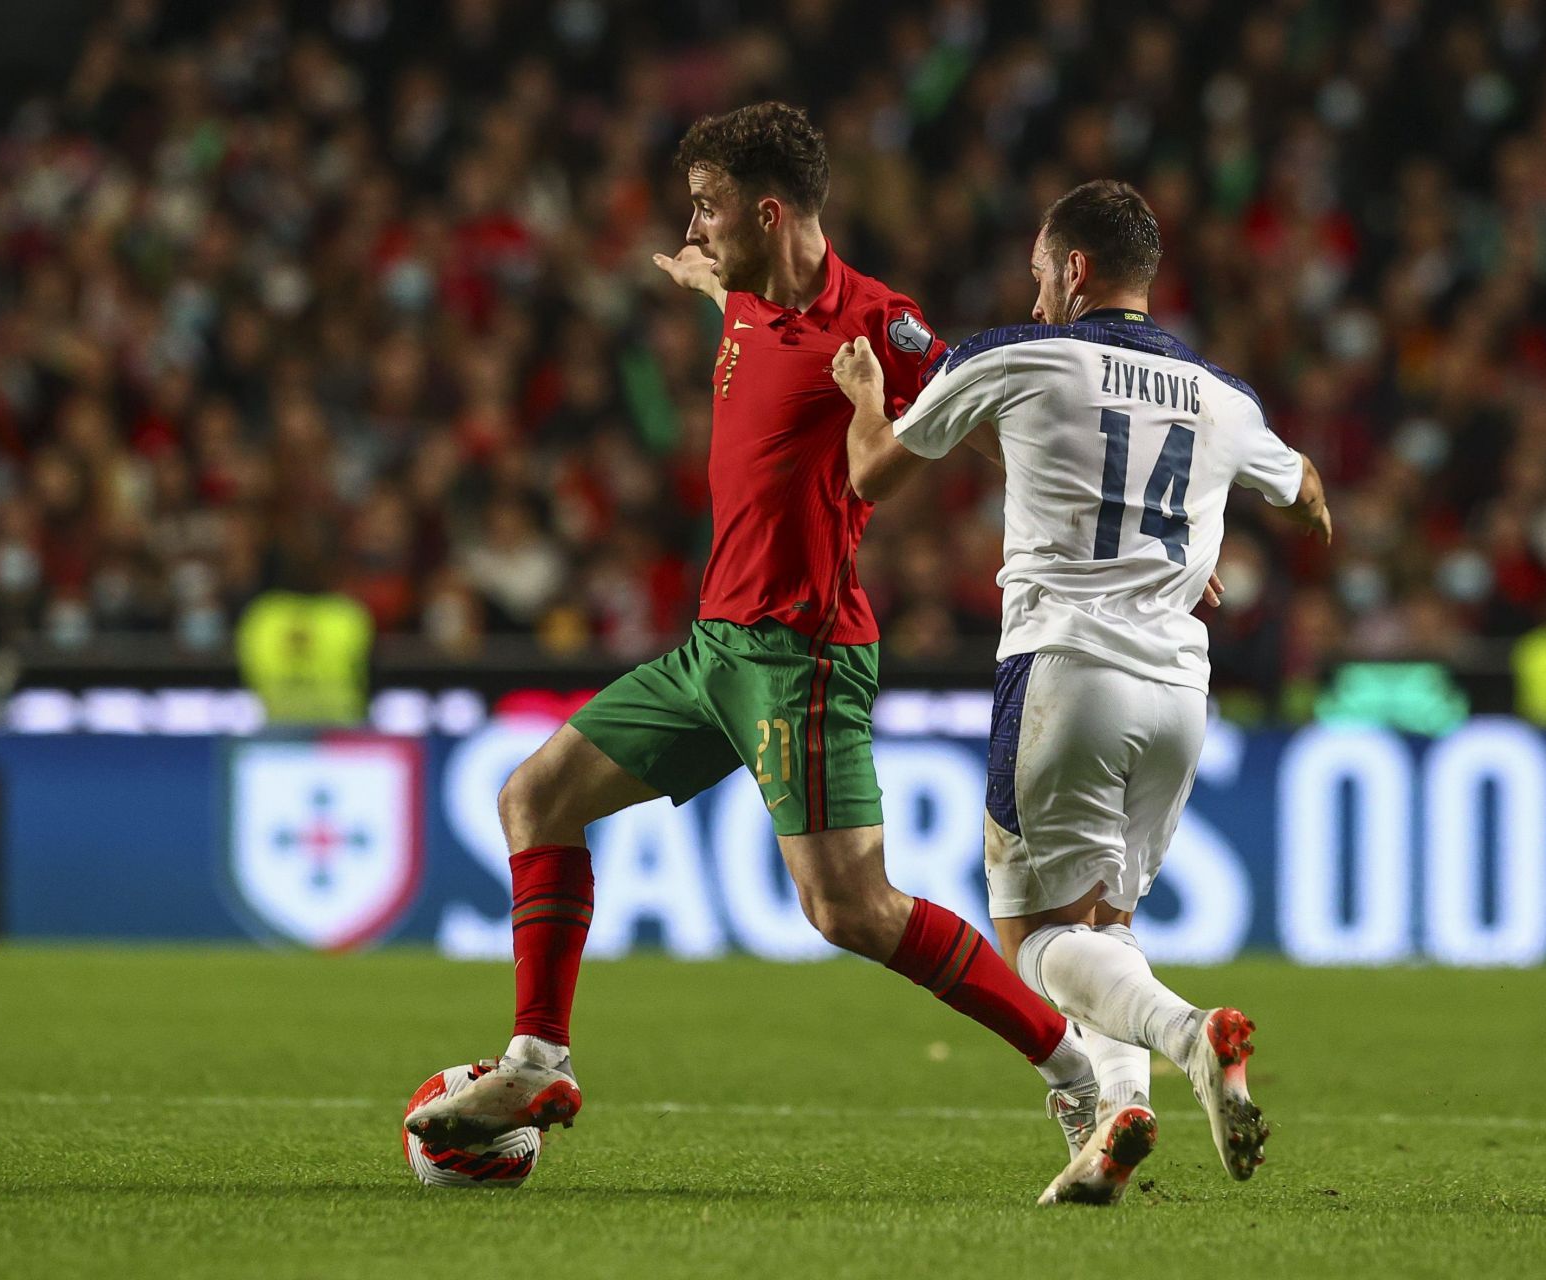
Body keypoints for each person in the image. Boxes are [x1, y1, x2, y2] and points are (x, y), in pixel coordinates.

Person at [406, 103, 1099, 1177]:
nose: (695, 230)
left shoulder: (881, 328)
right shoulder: (742, 289)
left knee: (851, 908)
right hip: (710, 651)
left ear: (768, 211)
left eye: (709, 211)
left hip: (801, 654)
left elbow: (984, 420)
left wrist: (1128, 539)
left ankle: (1076, 1070)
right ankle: (539, 1056)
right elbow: (728, 288)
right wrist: (703, 280)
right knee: (532, 797)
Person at [830, 179, 1334, 1205]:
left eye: (1038, 272)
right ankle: (1111, 1129)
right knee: (1104, 924)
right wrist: (1193, 552)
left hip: (1064, 673)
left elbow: (874, 475)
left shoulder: (1017, 353)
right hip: (1180, 694)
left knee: (1036, 940)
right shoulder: (1225, 396)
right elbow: (1312, 498)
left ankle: (1191, 1034)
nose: (1037, 288)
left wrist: (861, 399)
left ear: (1073, 270)